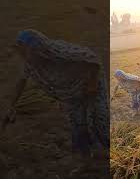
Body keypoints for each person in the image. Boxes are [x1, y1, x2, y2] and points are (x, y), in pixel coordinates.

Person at [1, 29, 109, 159]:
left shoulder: (59, 52)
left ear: (35, 47)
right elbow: (21, 82)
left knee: (98, 118)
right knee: (78, 122)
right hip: (71, 93)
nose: (21, 53)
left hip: (90, 85)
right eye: (20, 49)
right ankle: (86, 158)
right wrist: (12, 105)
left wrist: (92, 83)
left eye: (24, 49)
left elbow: (92, 59)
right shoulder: (32, 63)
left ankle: (110, 152)